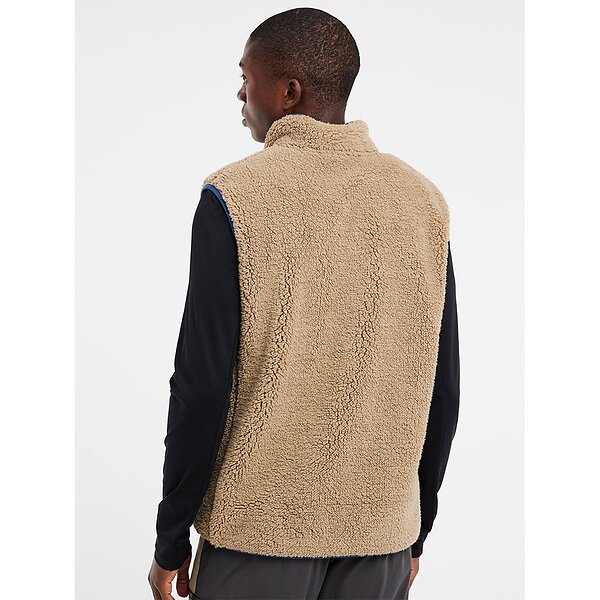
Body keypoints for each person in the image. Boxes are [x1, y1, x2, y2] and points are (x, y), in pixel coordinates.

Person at [148, 7, 460, 600]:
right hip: (380, 540)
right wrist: (415, 533)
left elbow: (201, 385)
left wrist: (171, 537)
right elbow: (442, 388)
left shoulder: (235, 195)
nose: (240, 93)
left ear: (289, 92)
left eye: (247, 77)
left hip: (258, 536)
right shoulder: (422, 201)